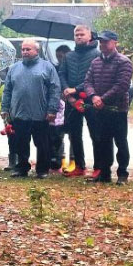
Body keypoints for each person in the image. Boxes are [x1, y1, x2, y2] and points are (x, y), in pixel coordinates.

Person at [1, 39, 61, 179]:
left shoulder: (47, 67)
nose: (25, 52)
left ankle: (42, 170)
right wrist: (5, 107)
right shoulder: (14, 68)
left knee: (42, 143)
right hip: (19, 114)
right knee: (21, 142)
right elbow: (7, 90)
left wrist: (52, 109)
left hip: (40, 114)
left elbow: (55, 89)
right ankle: (21, 168)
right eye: (23, 49)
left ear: (36, 50)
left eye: (28, 49)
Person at [82, 30, 133, 185]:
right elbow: (87, 82)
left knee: (120, 141)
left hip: (117, 109)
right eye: (101, 41)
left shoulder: (124, 62)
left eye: (105, 41)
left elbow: (122, 86)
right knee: (103, 141)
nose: (102, 44)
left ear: (114, 43)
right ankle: (104, 173)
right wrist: (93, 97)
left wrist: (102, 99)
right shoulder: (95, 62)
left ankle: (122, 174)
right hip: (100, 109)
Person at [59, 25, 99, 177]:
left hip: (90, 99)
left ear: (90, 36)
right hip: (71, 101)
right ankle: (79, 166)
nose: (79, 37)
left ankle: (98, 166)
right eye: (77, 35)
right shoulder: (68, 56)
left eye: (82, 34)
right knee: (74, 134)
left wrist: (75, 89)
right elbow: (62, 74)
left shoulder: (96, 54)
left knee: (96, 134)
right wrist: (67, 93)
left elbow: (94, 77)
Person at [49, 45, 71, 173]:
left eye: (61, 56)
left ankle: (73, 161)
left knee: (72, 135)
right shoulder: (55, 68)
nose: (59, 59)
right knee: (57, 134)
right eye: (57, 57)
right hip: (58, 105)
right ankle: (59, 160)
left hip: (71, 102)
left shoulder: (71, 68)